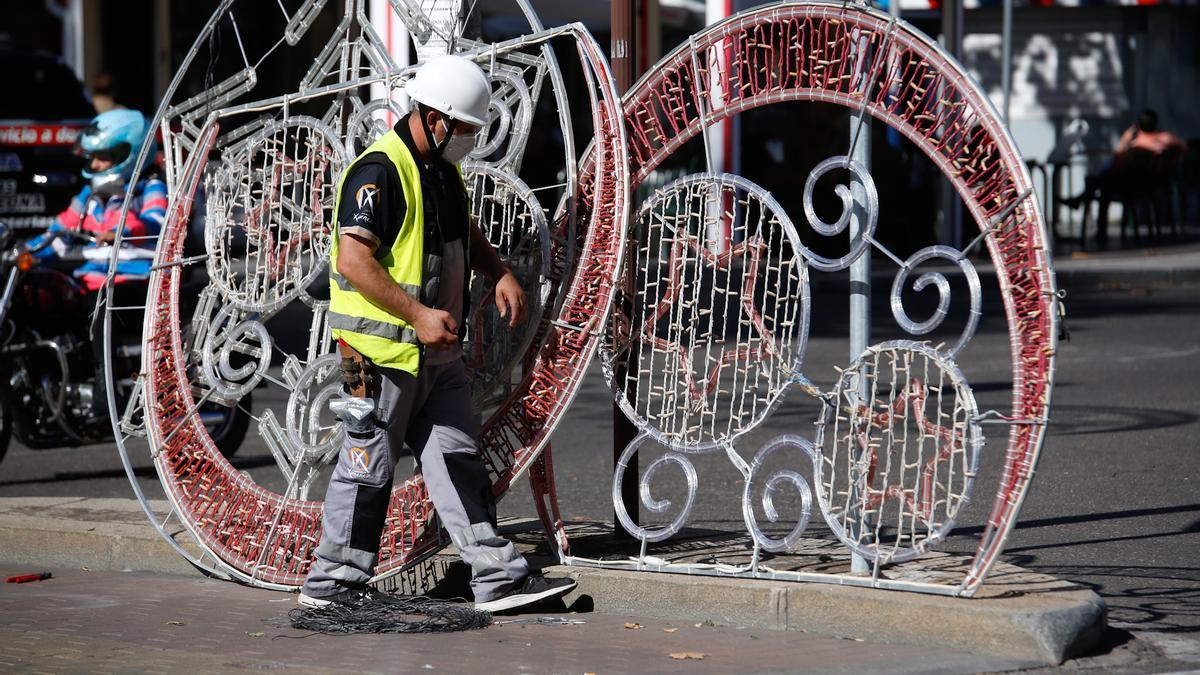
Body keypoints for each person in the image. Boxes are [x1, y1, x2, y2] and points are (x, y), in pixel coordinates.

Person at [298, 55, 576, 613]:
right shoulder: (379, 171)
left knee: (458, 458)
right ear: (433, 117)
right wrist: (418, 315)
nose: (471, 139)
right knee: (367, 467)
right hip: (372, 358)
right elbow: (353, 261)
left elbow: (461, 230)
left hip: (433, 356)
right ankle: (332, 584)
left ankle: (497, 578)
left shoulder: (442, 173)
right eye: (466, 128)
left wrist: (497, 268)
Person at [1062, 109, 1187, 212]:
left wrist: (1126, 137)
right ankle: (1079, 200)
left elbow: (1117, 159)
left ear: (1138, 125)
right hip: (1152, 183)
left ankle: (1081, 204)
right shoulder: (1165, 138)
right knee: (1103, 179)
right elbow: (1183, 147)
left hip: (1131, 185)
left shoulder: (1137, 144)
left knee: (1101, 181)